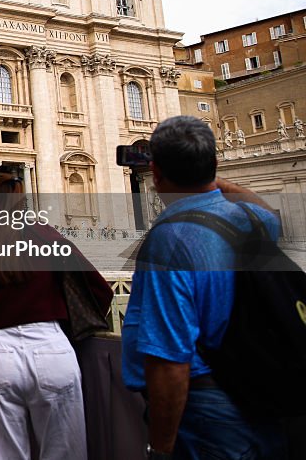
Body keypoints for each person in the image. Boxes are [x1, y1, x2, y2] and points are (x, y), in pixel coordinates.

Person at [121, 116, 286, 459]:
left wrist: (160, 449)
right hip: (261, 394)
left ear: (156, 173)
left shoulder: (169, 239)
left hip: (207, 410)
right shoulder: (252, 219)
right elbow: (265, 208)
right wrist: (206, 176)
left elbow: (170, 362)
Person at [0, 173, 111, 460]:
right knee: (65, 452)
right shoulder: (45, 234)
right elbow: (98, 288)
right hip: (51, 348)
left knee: (1, 453)